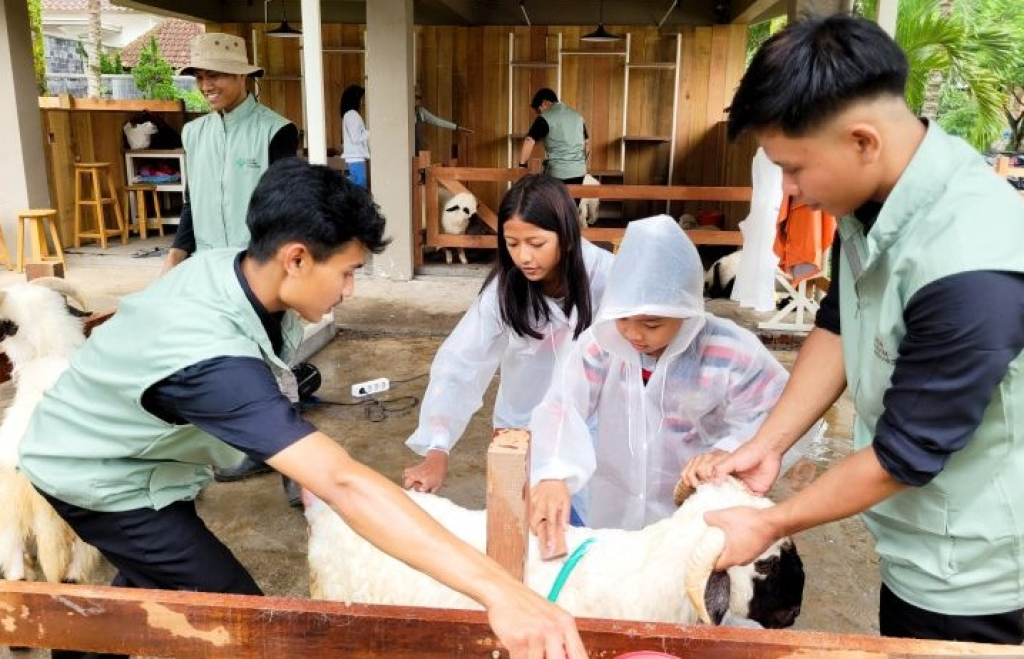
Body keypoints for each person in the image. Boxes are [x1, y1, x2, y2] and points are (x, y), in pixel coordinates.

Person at [18, 159, 588, 659]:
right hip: (96, 473)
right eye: (347, 272)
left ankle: (83, 647)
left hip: (121, 443)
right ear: (295, 259)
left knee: (149, 578)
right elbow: (344, 481)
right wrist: (501, 592)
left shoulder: (237, 269)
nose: (350, 291)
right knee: (241, 615)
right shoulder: (211, 359)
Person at [683, 14, 1024, 645]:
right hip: (920, 543)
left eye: (793, 168)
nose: (788, 191)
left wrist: (771, 523)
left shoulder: (970, 261)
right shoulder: (868, 206)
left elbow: (906, 452)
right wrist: (770, 442)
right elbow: (838, 329)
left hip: (983, 571)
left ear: (863, 140)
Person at [528, 215, 809, 553]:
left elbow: (783, 412)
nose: (633, 334)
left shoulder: (728, 351)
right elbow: (563, 406)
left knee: (687, 588)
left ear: (686, 308)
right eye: (622, 319)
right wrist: (553, 473)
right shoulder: (600, 346)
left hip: (696, 513)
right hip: (612, 510)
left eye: (651, 323)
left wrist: (731, 449)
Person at [403, 174, 614, 494]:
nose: (524, 257)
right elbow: (460, 365)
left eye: (536, 243)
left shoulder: (607, 277)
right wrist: (437, 446)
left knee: (585, 528)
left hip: (592, 426)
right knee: (517, 523)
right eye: (512, 244)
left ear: (567, 236)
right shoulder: (504, 291)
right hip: (521, 428)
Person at [162, 32, 298, 274]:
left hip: (258, 267)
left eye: (214, 75)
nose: (205, 86)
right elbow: (192, 204)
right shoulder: (193, 133)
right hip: (206, 266)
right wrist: (172, 261)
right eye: (200, 77)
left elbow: (286, 209)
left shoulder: (276, 130)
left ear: (242, 75)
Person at [517, 88, 590, 183]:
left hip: (557, 174)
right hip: (580, 173)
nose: (540, 114)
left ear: (545, 103)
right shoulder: (578, 117)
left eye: (539, 111)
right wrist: (578, 165)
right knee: (572, 198)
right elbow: (587, 145)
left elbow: (529, 141)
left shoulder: (544, 118)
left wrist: (522, 166)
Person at [415, 83, 474, 155]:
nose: (418, 100)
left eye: (419, 98)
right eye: (416, 97)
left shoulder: (421, 111)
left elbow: (438, 121)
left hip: (419, 150)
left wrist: (457, 127)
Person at [340, 84, 369, 188]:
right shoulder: (352, 115)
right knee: (360, 184)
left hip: (355, 155)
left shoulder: (349, 114)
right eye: (362, 98)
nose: (363, 101)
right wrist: (370, 132)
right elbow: (356, 138)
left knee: (358, 182)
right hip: (356, 156)